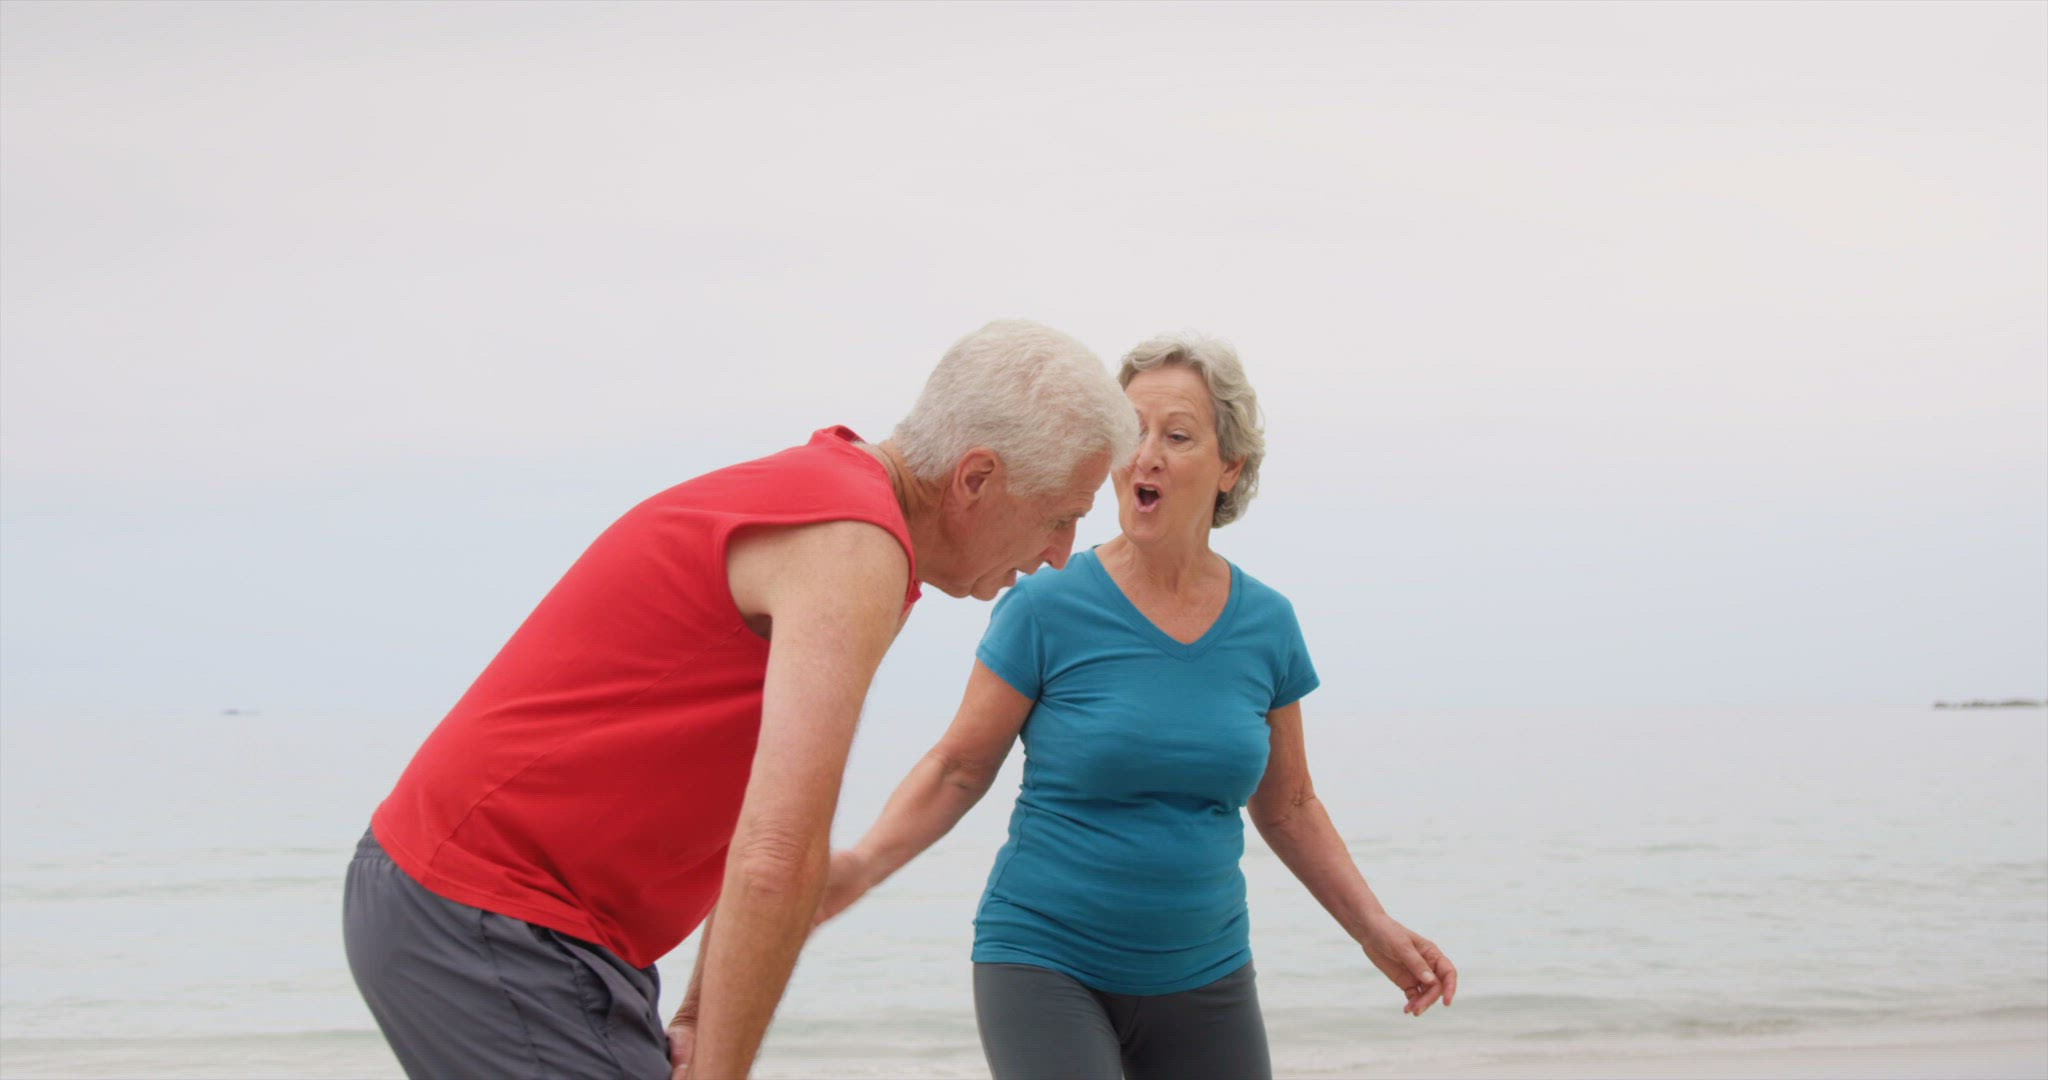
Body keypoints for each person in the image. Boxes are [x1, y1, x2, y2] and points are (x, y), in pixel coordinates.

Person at [343, 319, 1139, 1080]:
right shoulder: (851, 544)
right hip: (488, 907)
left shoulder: (845, 509)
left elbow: (758, 822)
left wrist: (697, 1013)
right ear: (976, 478)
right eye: (1060, 517)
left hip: (520, 917)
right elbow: (780, 855)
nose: (1060, 555)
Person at [818, 333, 1459, 1079]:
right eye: (1132, 432)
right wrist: (860, 866)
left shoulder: (1268, 625)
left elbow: (1289, 806)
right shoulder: (1046, 605)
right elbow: (958, 767)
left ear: (1229, 467)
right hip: (1043, 964)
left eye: (1177, 436)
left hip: (1208, 977)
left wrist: (1372, 928)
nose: (1145, 455)